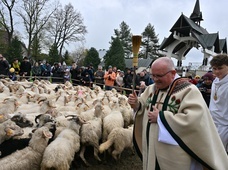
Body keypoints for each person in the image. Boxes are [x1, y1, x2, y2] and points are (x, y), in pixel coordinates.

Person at [128, 57, 228, 170]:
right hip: (151, 145)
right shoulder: (151, 89)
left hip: (174, 152)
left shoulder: (188, 90)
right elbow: (143, 105)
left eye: (159, 76)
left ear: (173, 73)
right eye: (153, 75)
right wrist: (137, 104)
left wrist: (161, 117)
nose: (155, 79)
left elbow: (193, 120)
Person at [209, 54, 228, 153]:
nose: (216, 71)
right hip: (212, 121)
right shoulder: (215, 81)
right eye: (214, 68)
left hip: (225, 125)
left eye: (220, 68)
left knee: (221, 154)